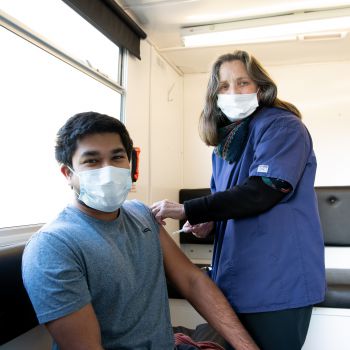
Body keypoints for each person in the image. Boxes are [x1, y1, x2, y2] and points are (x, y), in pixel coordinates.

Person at [22, 111, 259, 350]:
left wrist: (247, 348)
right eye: (92, 161)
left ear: (129, 163)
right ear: (68, 174)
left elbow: (192, 281)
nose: (108, 170)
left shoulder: (140, 214)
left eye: (117, 157)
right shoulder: (52, 246)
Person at [151, 50, 326, 350]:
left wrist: (187, 209)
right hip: (237, 281)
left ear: (260, 87)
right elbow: (230, 203)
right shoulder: (225, 148)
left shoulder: (282, 127)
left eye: (243, 82)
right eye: (224, 86)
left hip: (277, 283)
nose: (234, 92)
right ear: (214, 95)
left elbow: (264, 190)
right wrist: (211, 224)